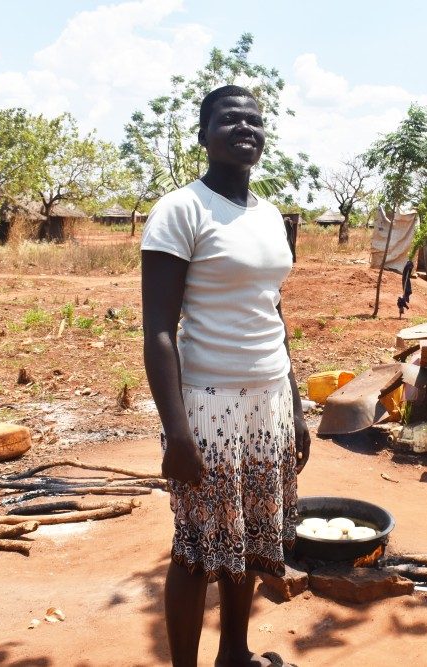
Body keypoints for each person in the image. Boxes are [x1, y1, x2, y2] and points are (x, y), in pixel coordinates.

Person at [141, 85, 310, 667]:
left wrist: (297, 405)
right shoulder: (181, 210)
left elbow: (273, 311)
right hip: (207, 408)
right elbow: (160, 330)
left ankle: (233, 653)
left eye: (255, 121)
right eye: (229, 118)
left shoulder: (267, 216)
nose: (245, 128)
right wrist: (178, 432)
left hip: (269, 401)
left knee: (256, 538)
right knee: (195, 551)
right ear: (203, 135)